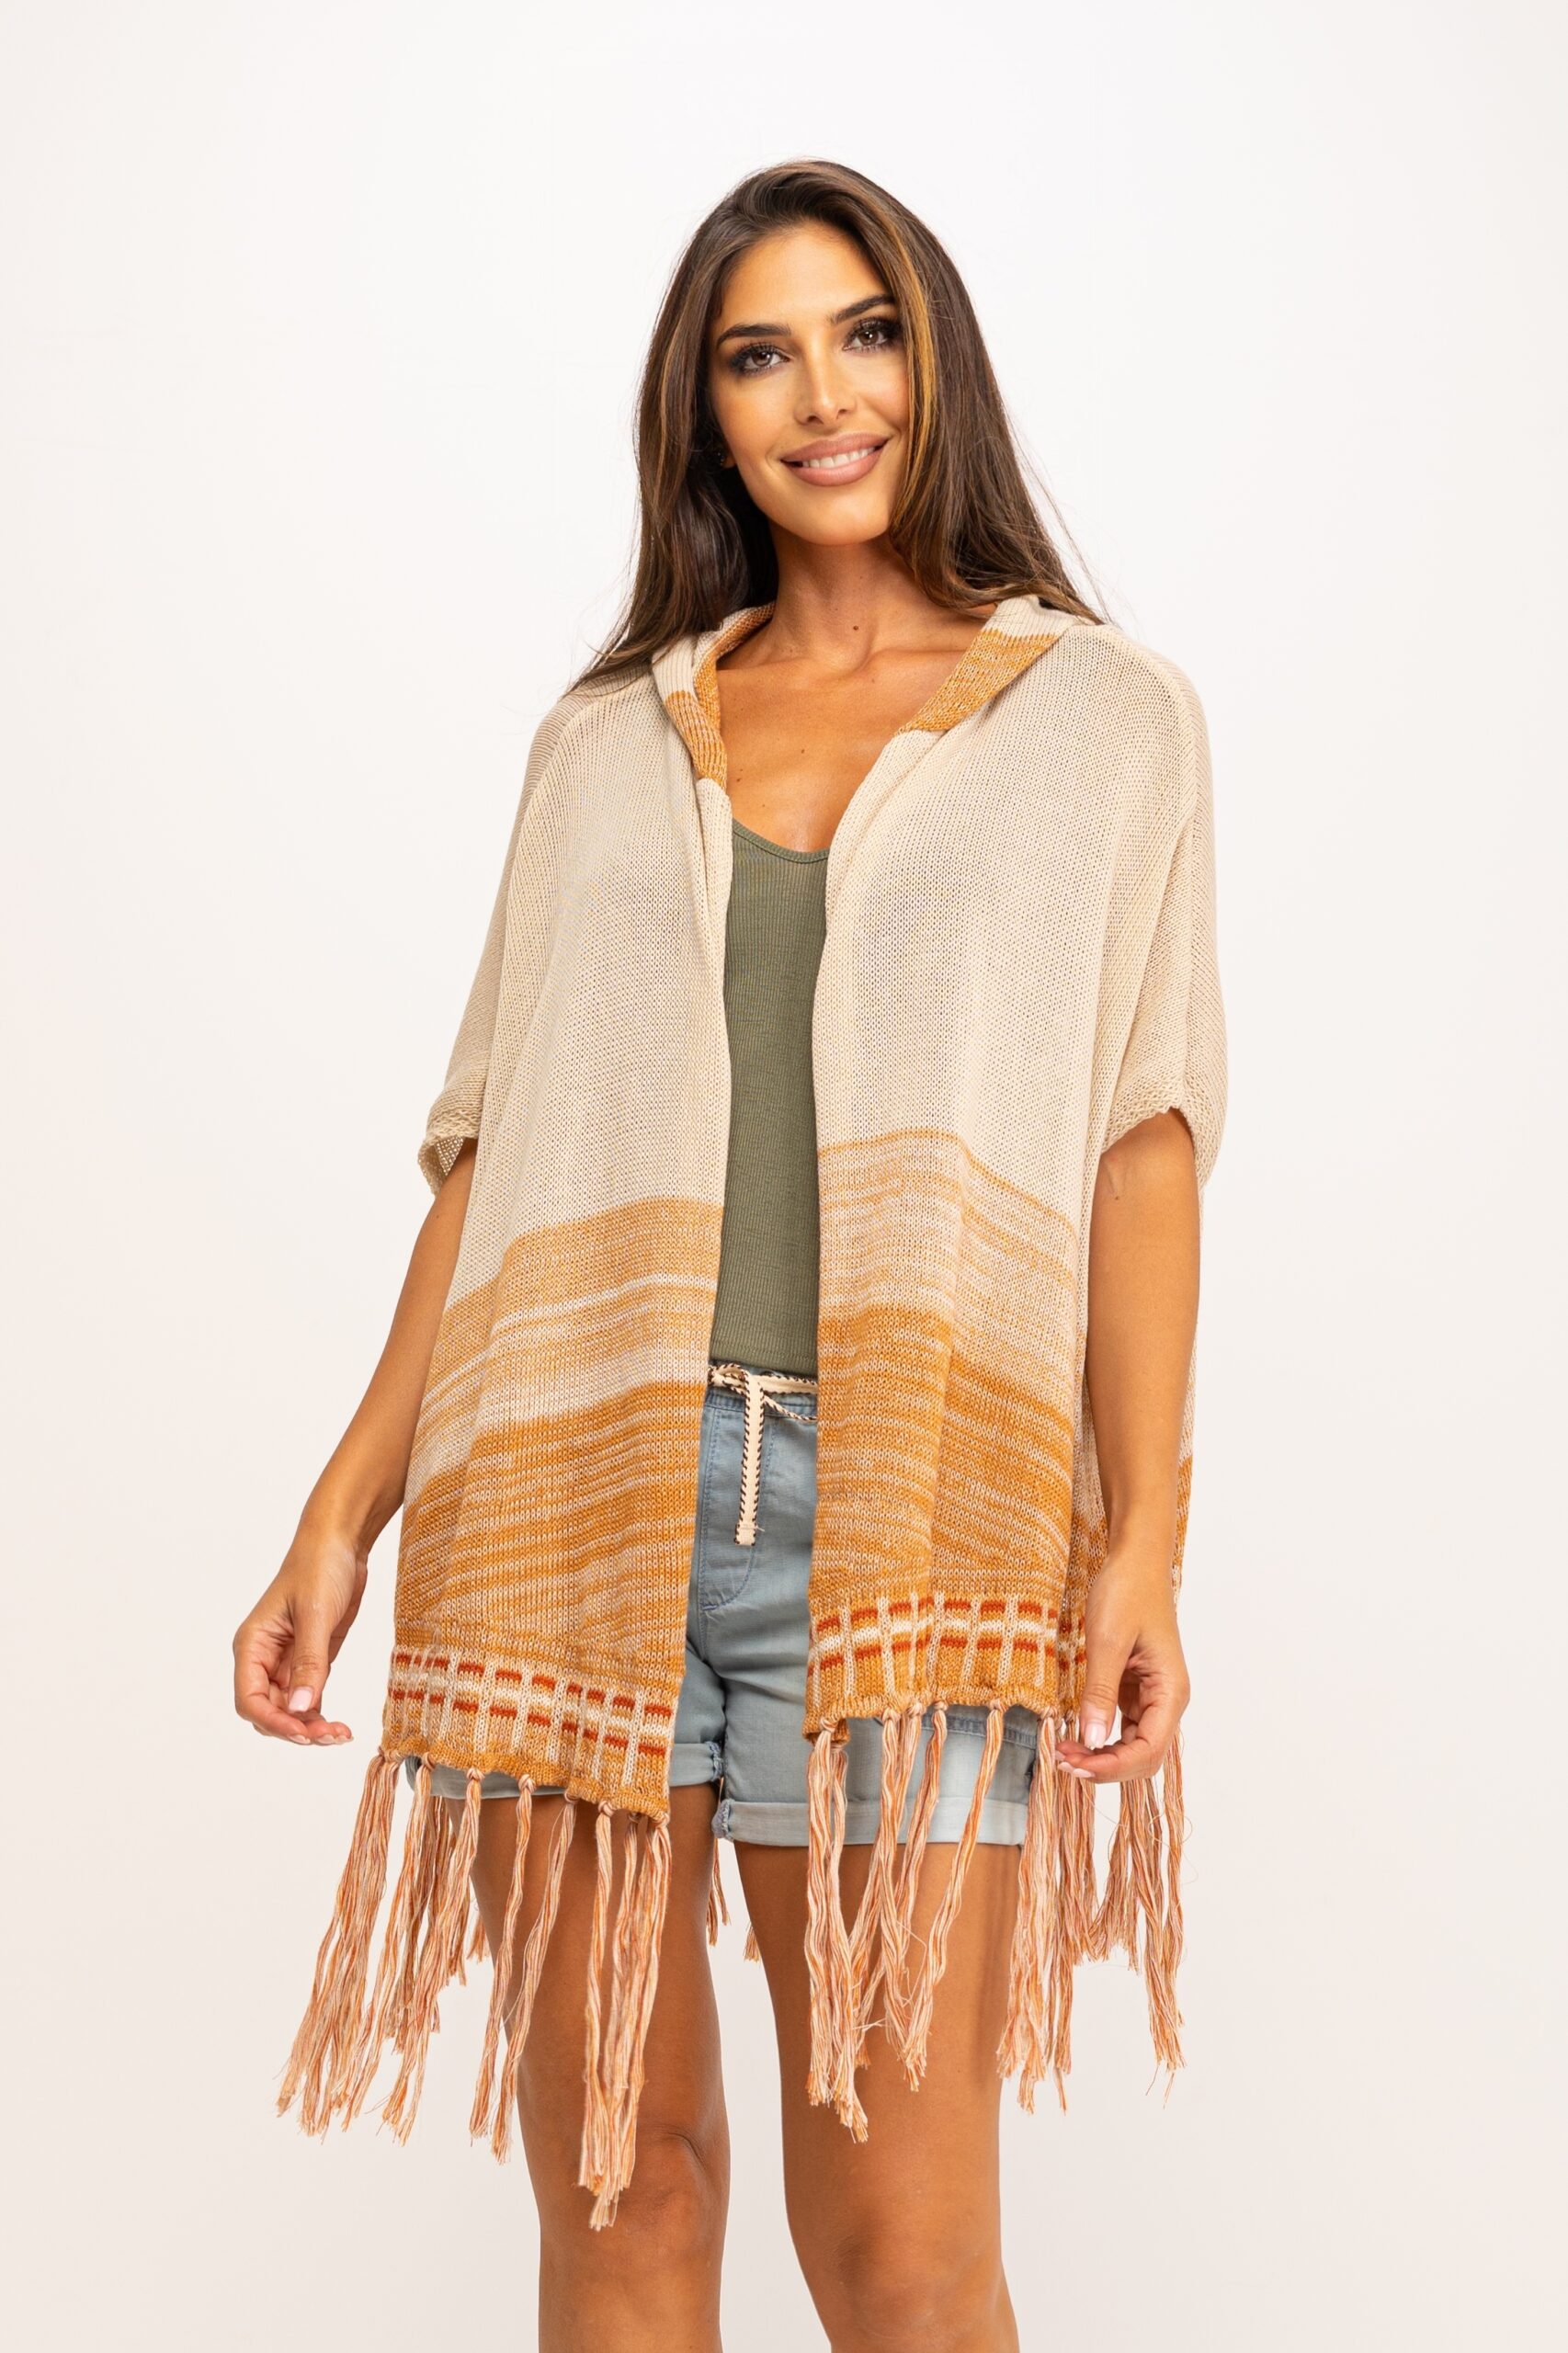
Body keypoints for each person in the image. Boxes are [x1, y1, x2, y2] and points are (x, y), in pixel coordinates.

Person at [234, 158, 1226, 2353]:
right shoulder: (608, 740)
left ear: (935, 358)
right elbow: (488, 1157)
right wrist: (339, 1510)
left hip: (912, 1513)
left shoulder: (1101, 720)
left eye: (862, 333)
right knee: (625, 2183)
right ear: (705, 413)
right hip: (569, 1499)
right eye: (759, 355)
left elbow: (1141, 1141)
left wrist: (1142, 1535)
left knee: (900, 2246)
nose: (822, 395)